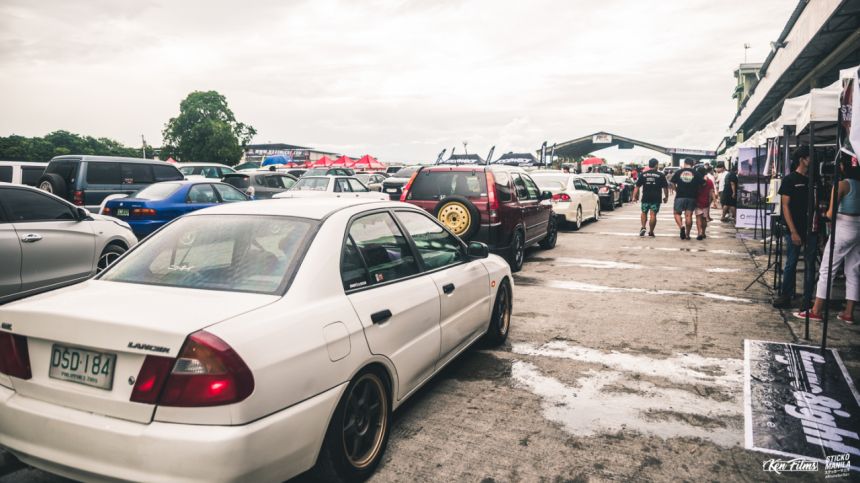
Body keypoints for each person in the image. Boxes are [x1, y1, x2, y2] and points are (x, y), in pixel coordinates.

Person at [794, 160, 860, 323]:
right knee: (853, 270)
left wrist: (824, 213)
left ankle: (816, 310)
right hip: (858, 228)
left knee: (827, 269)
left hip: (843, 228)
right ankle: (849, 313)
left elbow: (831, 213)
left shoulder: (842, 185)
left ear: (843, 167)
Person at [773, 146, 819, 309]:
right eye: (810, 157)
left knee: (810, 264)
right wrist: (793, 231)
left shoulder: (814, 179)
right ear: (802, 159)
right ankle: (786, 295)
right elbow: (785, 206)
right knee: (791, 262)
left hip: (812, 228)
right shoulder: (790, 179)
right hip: (794, 227)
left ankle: (807, 298)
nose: (813, 160)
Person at [633, 158, 669, 237]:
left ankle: (643, 227)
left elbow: (637, 187)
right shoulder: (661, 175)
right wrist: (666, 197)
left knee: (644, 212)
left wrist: (634, 197)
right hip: (656, 198)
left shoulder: (643, 174)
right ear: (656, 165)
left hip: (645, 197)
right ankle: (651, 231)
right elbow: (665, 188)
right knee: (653, 214)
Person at [670, 159, 704, 240]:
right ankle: (687, 234)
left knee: (677, 213)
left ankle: (681, 226)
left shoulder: (678, 172)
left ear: (684, 163)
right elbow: (703, 184)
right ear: (692, 164)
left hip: (680, 196)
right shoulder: (696, 173)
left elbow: (672, 182)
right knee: (688, 215)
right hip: (692, 197)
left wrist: (676, 190)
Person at [694, 166, 714, 240]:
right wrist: (710, 202)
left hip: (697, 202)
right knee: (704, 218)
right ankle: (703, 233)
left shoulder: (696, 181)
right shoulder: (710, 181)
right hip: (706, 202)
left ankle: (699, 233)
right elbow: (711, 193)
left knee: (698, 218)